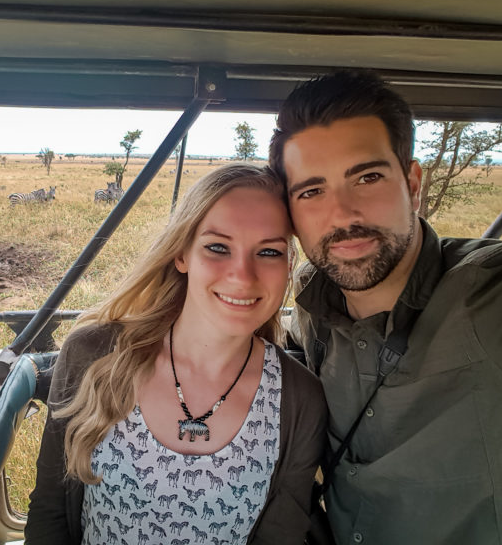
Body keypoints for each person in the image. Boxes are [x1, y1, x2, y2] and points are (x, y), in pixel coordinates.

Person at [268, 70, 502, 545]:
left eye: (368, 177)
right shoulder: (314, 301)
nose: (343, 214)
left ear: (413, 184)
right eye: (312, 191)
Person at [25, 163, 327, 545]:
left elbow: (279, 536)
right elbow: (50, 512)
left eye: (268, 252)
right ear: (181, 254)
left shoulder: (299, 399)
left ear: (288, 267)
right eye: (218, 247)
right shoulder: (94, 356)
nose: (242, 275)